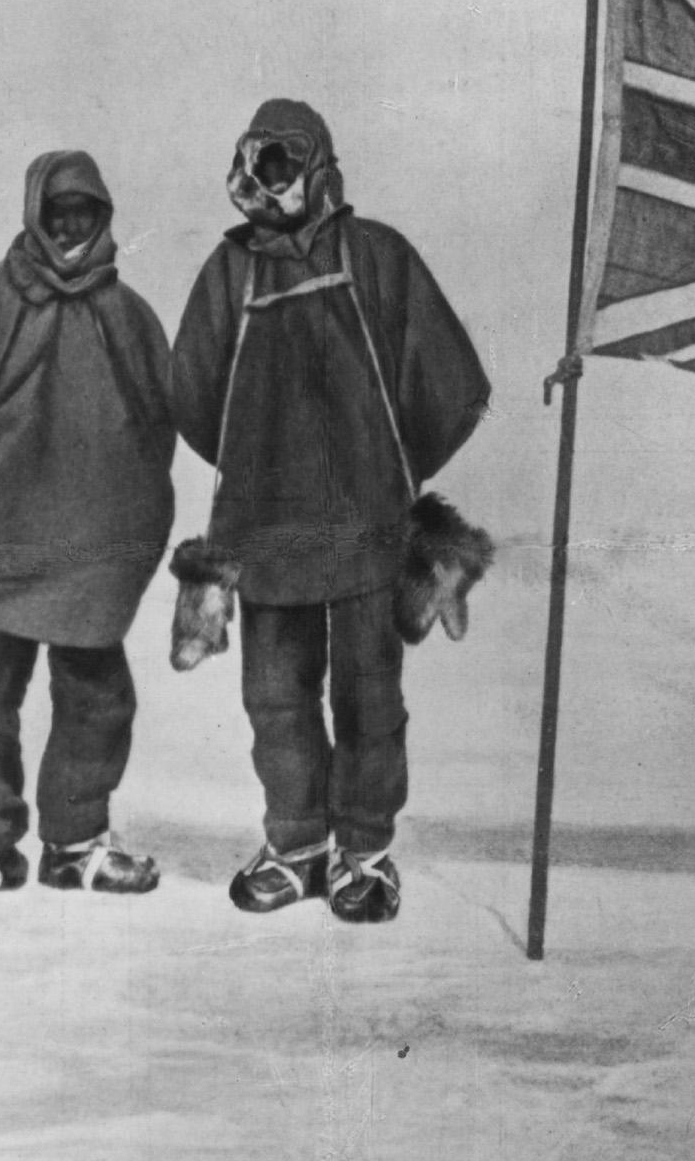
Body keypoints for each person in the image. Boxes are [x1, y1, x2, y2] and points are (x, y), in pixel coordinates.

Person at [170, 99, 490, 924]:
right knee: (275, 697)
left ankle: (365, 854)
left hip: (365, 531)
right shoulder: (230, 271)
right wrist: (255, 465)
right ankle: (296, 846)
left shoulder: (377, 256)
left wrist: (387, 468)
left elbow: (452, 384)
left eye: (288, 161)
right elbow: (193, 393)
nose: (273, 179)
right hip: (265, 531)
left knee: (367, 698)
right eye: (261, 162)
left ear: (319, 167)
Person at [0, 151, 175, 903]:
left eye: (84, 212)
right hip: (4, 542)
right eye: (57, 210)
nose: (70, 224)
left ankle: (78, 838)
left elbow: (159, 423)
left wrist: (130, 512)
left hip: (95, 551)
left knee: (96, 696)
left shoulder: (128, 317)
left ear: (103, 217)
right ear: (34, 212)